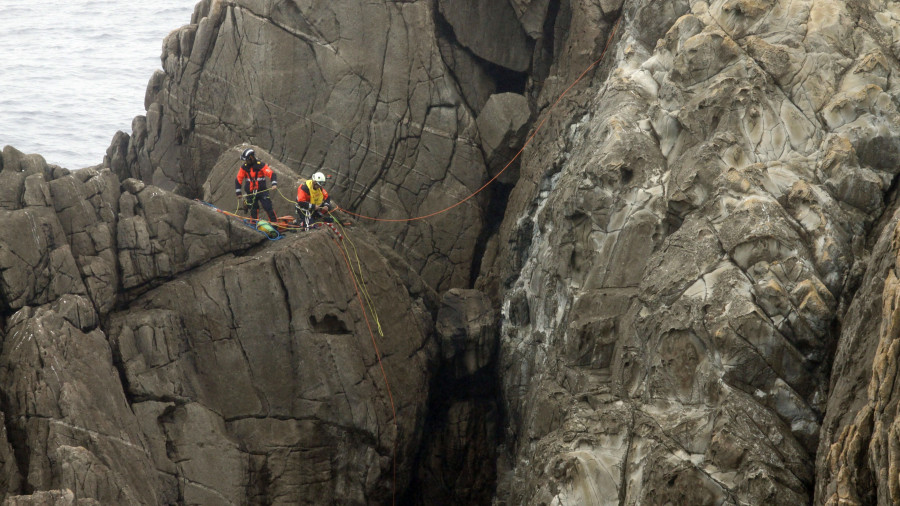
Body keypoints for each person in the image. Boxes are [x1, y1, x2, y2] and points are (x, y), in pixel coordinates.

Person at [235, 148, 277, 221]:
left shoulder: (261, 165)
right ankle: (254, 225)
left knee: (268, 208)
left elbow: (271, 174)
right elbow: (238, 179)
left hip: (262, 192)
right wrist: (238, 192)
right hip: (250, 193)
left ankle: (275, 225)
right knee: (253, 210)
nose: (246, 162)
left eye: (247, 160)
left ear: (251, 158)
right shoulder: (244, 167)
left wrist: (274, 184)